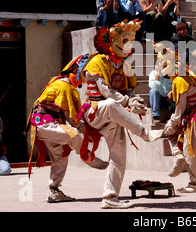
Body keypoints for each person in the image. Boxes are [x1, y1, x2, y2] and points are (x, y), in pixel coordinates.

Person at [78, 23, 164, 209]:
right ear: (112, 41)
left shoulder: (125, 65)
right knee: (110, 103)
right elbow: (105, 91)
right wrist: (127, 102)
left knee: (118, 157)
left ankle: (110, 197)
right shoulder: (97, 61)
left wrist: (135, 102)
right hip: (96, 111)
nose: (128, 46)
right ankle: (144, 133)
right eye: (125, 41)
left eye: (130, 42)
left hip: (115, 115)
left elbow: (129, 91)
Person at [27, 55, 107, 203]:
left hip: (47, 125)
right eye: (85, 72)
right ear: (76, 70)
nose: (87, 75)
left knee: (60, 156)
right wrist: (87, 133)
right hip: (46, 124)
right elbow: (70, 116)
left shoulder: (62, 83)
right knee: (74, 134)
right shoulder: (64, 86)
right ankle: (86, 156)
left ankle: (54, 191)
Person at [155, 43, 196, 192]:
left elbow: (180, 107)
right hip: (194, 115)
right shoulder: (187, 75)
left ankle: (195, 183)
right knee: (183, 143)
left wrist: (172, 122)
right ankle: (177, 156)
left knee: (190, 150)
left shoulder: (180, 80)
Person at [148, 48, 173, 126]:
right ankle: (156, 117)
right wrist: (158, 75)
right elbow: (152, 86)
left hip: (170, 98)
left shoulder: (172, 73)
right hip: (159, 98)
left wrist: (172, 92)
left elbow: (177, 85)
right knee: (153, 91)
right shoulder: (153, 73)